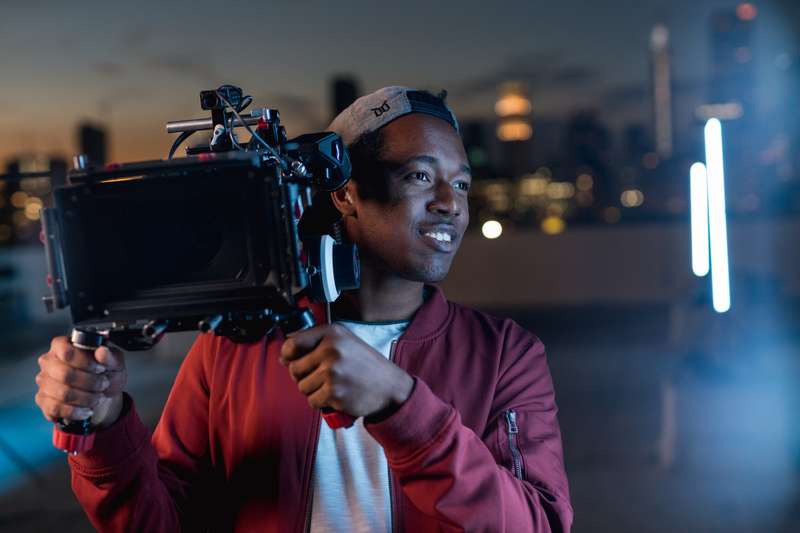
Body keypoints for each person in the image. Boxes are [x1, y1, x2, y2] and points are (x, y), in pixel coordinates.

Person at [34, 86, 573, 532]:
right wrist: (103, 430)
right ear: (344, 193)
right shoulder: (233, 348)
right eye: (420, 176)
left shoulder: (506, 355)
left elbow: (537, 524)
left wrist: (400, 404)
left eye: (461, 184)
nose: (450, 204)